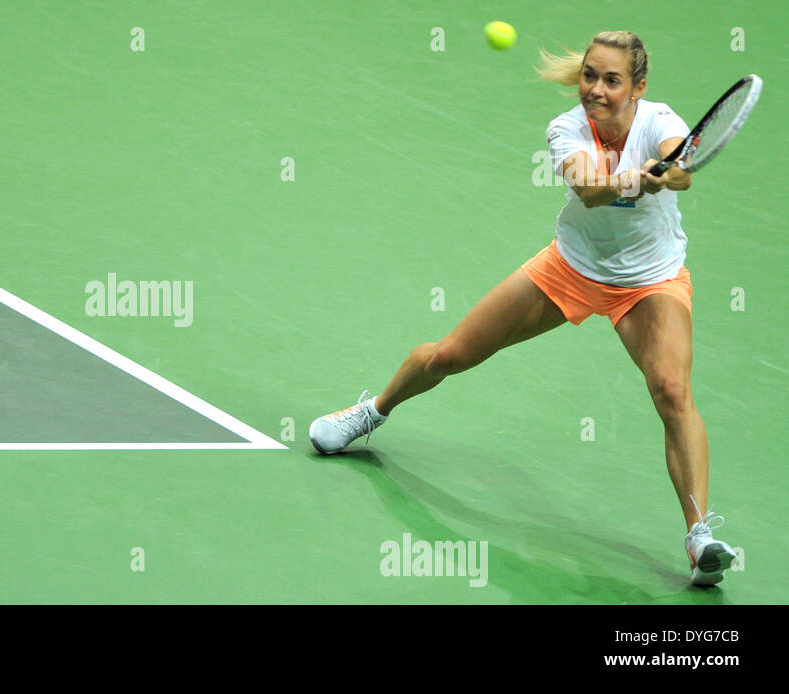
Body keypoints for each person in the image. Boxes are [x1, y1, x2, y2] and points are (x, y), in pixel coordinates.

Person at [309, 30, 736, 587]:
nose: (596, 89)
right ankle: (373, 411)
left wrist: (672, 173)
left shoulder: (658, 120)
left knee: (673, 392)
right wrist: (636, 181)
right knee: (451, 355)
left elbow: (679, 165)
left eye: (612, 80)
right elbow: (588, 189)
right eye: (590, 75)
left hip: (651, 280)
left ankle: (700, 536)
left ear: (638, 88)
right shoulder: (565, 129)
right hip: (572, 267)